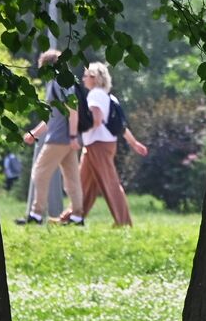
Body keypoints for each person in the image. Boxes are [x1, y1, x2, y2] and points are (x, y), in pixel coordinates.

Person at [56, 61, 148, 227]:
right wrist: (134, 143)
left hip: (98, 145)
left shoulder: (95, 95)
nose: (83, 79)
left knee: (110, 183)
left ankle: (123, 222)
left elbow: (97, 120)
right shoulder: (108, 97)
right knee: (83, 183)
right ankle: (72, 217)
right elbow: (120, 126)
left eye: (86, 76)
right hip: (99, 144)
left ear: (95, 78)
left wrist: (76, 134)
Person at [16, 50, 85, 226]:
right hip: (67, 138)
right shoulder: (66, 81)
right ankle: (77, 216)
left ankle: (36, 215)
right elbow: (52, 116)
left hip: (59, 138)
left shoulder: (58, 82)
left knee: (40, 173)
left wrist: (71, 135)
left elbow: (73, 109)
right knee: (71, 178)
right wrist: (35, 133)